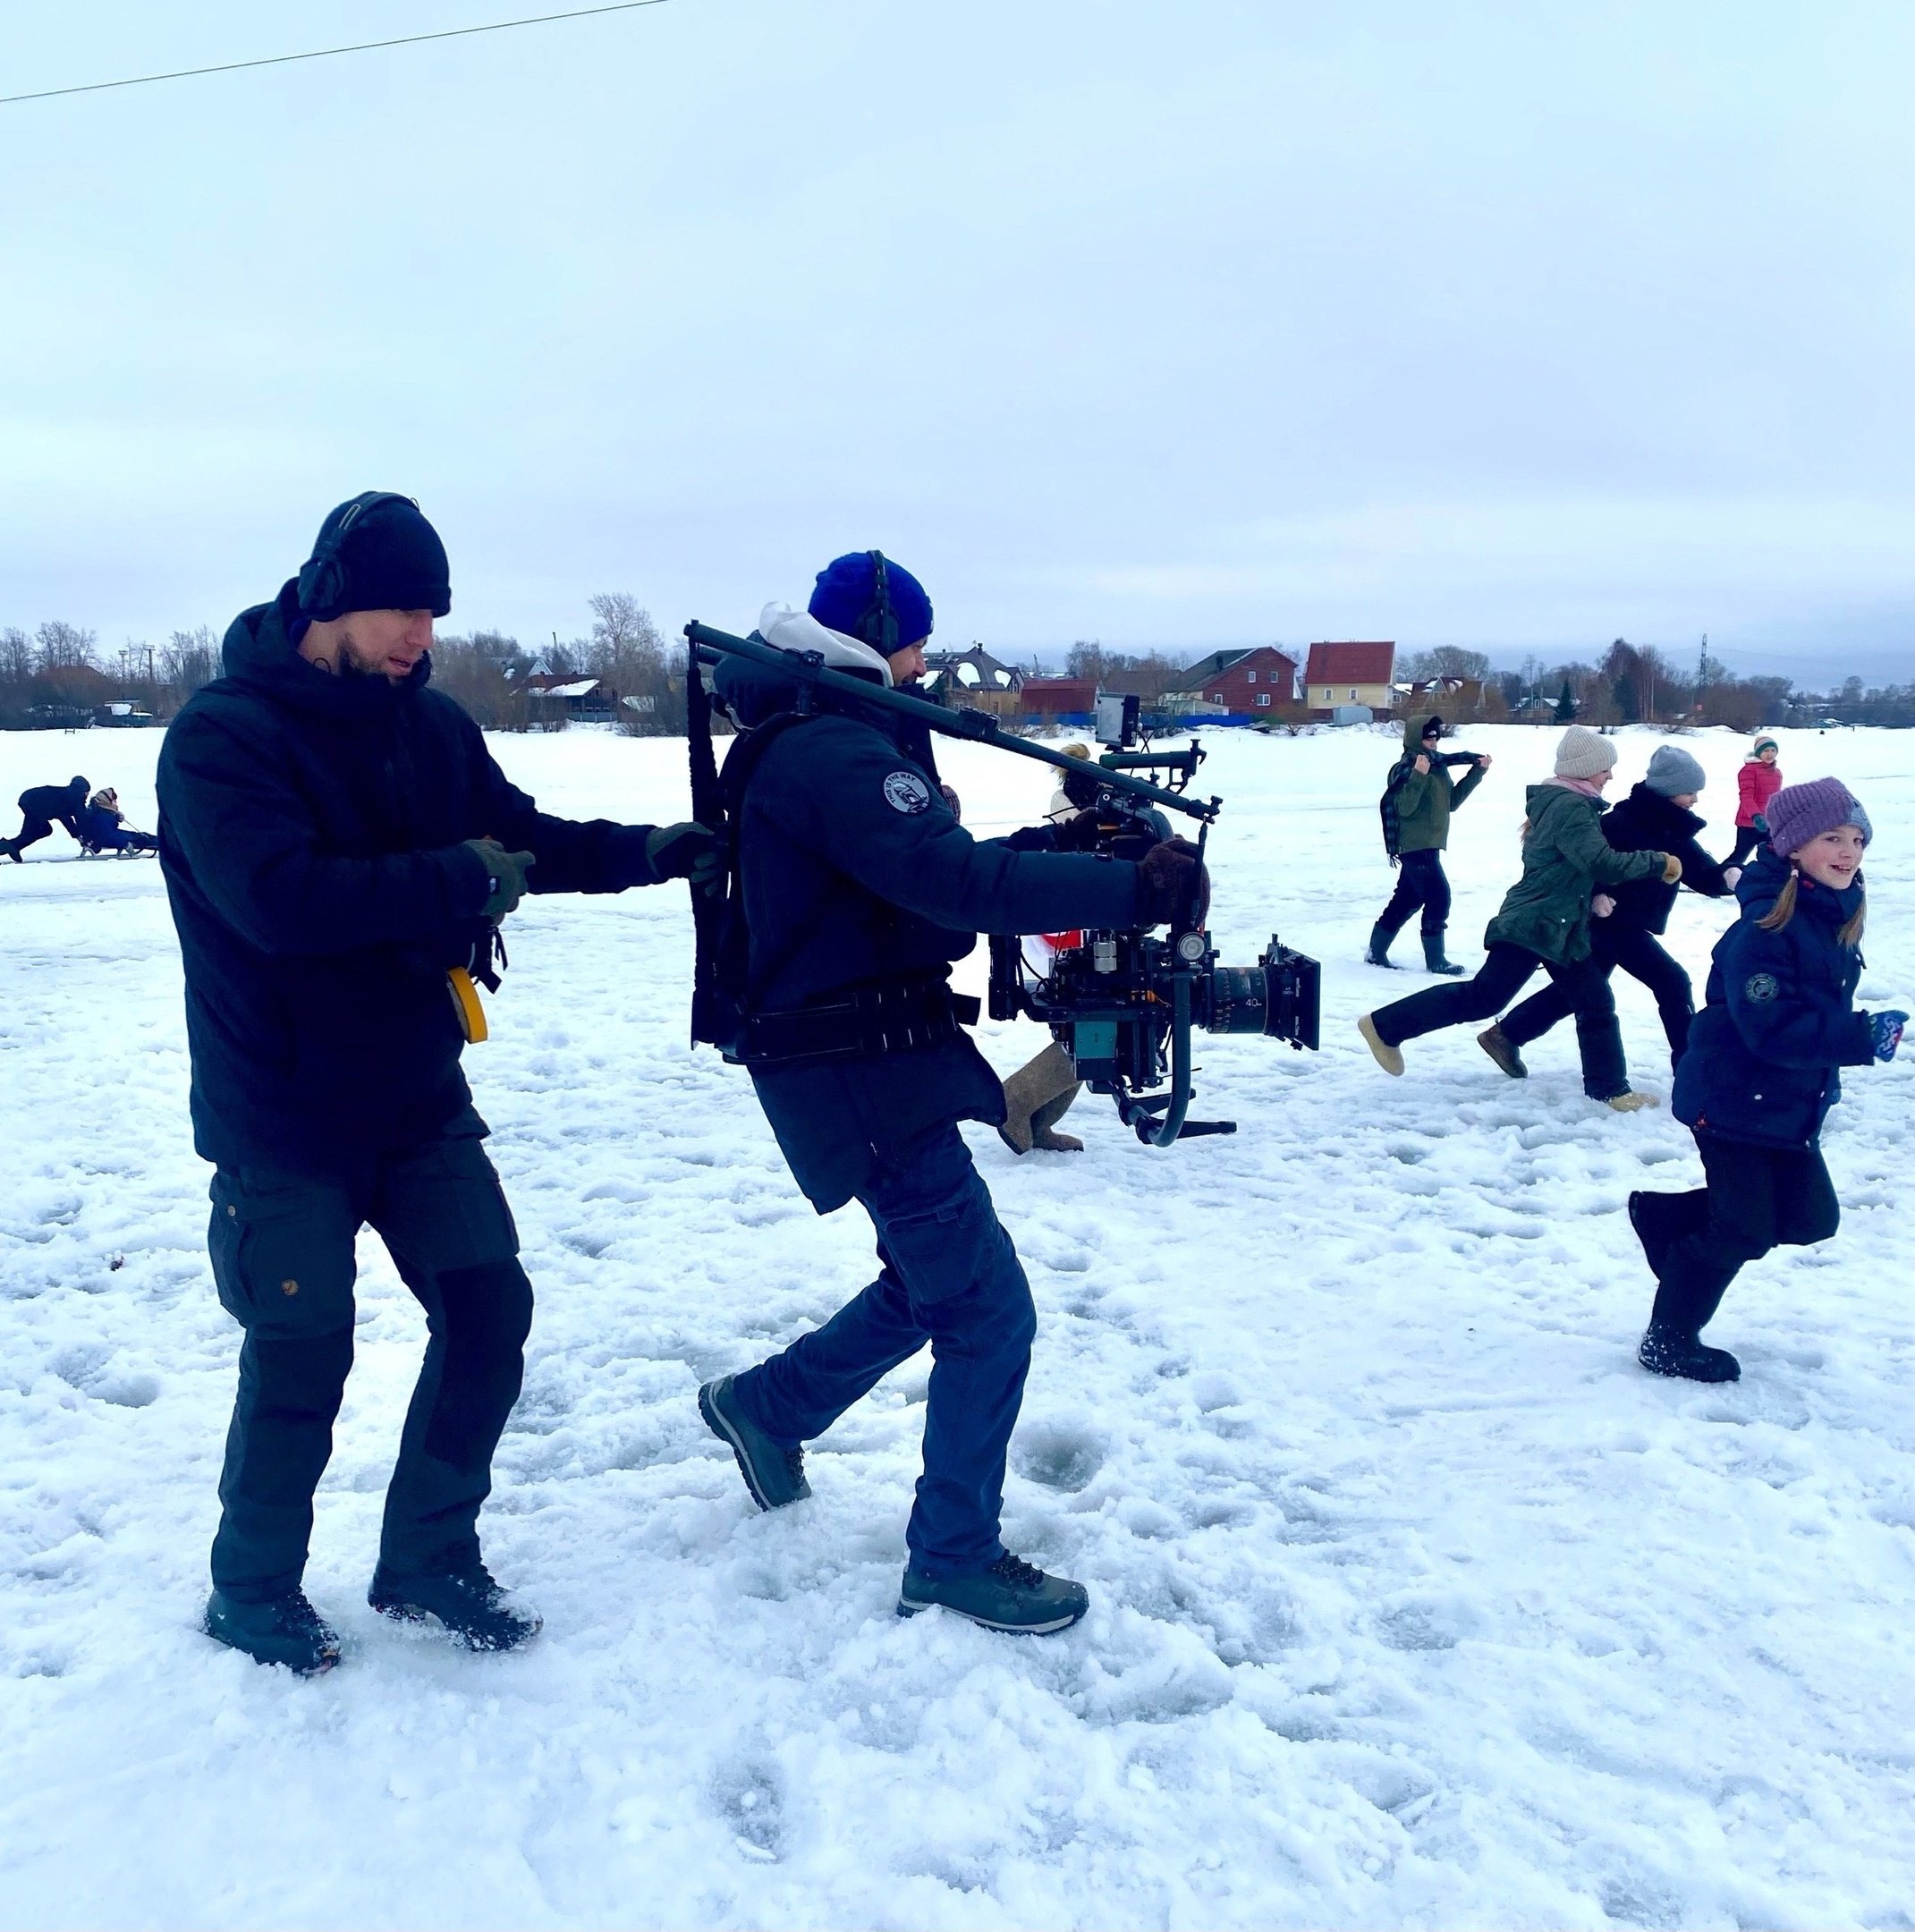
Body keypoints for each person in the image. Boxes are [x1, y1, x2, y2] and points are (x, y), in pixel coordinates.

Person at [157, 490, 717, 1674]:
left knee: (488, 1310)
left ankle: (428, 1556)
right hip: (284, 1111)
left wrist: (644, 853)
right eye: (401, 609)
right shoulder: (223, 736)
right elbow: (278, 901)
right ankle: (251, 1585)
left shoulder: (431, 724)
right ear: (328, 602)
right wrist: (454, 878)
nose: (422, 634)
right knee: (303, 1348)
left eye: (433, 612)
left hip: (415, 1095)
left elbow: (519, 838)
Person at [697, 550, 1206, 1634]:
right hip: (858, 1072)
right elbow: (953, 885)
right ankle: (953, 1554)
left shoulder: (819, 734)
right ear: (882, 640)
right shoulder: (831, 747)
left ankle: (766, 1406)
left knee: (931, 1282)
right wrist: (1130, 884)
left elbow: (923, 872)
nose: (927, 668)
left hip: (867, 1060)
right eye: (918, 645)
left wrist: (1067, 846)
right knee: (986, 1311)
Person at [1628, 780, 1903, 1382]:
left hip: (1785, 1103)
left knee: (1810, 1219)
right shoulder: (1764, 932)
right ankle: (1668, 1339)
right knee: (1741, 1228)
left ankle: (1668, 1224)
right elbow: (1771, 1031)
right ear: (1792, 847)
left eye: (1856, 839)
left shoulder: (1831, 912)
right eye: (1832, 837)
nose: (1848, 851)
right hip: (1730, 1100)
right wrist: (1857, 1038)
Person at [1356, 724, 1674, 1109]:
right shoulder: (1571, 807)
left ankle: (1610, 1091)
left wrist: (1591, 897)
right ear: (1585, 768)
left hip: (1558, 925)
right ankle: (1383, 1027)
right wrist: (1658, 863)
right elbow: (1599, 861)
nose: (1610, 776)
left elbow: (1569, 866)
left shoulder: (1568, 802)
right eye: (1605, 768)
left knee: (1594, 1001)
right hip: (1535, 923)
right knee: (1484, 998)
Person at [1490, 743, 1735, 1076]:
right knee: (1672, 982)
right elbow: (1585, 864)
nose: (1694, 800)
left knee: (1576, 994)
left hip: (1626, 925)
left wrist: (1731, 877)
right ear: (1668, 791)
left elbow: (1702, 873)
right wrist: (1597, 894)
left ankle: (1505, 1035)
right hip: (1607, 924)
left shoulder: (1674, 830)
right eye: (1689, 792)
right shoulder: (1619, 823)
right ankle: (1692, 1067)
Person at [1000, 746, 1171, 1156]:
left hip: (1081, 920)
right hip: (1073, 926)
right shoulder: (1077, 808)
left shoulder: (1082, 803)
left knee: (1093, 1024)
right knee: (1095, 1022)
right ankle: (1016, 1101)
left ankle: (1040, 1120)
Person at [1367, 716, 1491, 975]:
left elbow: (1452, 803)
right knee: (1439, 897)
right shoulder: (1404, 768)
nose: (1433, 742)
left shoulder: (1438, 766)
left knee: (1407, 899)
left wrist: (1476, 772)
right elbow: (1405, 807)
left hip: (1430, 845)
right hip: (1414, 846)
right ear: (1415, 738)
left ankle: (1376, 953)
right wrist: (1418, 776)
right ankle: (1436, 961)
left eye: (1435, 737)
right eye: (1427, 737)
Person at [1, 775, 89, 860]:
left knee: (44, 830)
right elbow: (81, 820)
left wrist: (79, 837)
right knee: (37, 831)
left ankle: (14, 847)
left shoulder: (66, 794)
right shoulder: (77, 799)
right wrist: (86, 839)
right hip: (35, 805)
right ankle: (9, 846)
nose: (87, 795)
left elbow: (66, 819)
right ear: (83, 790)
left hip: (29, 799)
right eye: (87, 792)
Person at [1728, 734, 1783, 869]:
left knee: (1770, 856)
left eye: (1772, 750)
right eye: (1765, 751)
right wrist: (1756, 816)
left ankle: (1766, 884)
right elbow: (1746, 796)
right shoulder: (1748, 771)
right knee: (1740, 855)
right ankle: (1719, 879)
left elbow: (1775, 798)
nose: (1770, 754)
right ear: (1759, 753)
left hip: (1769, 824)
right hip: (1749, 822)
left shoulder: (1777, 773)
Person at [77, 786, 159, 855]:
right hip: (113, 838)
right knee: (141, 837)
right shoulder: (103, 814)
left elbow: (103, 828)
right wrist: (125, 844)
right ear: (107, 800)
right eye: (114, 799)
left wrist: (116, 817)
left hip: (110, 836)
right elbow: (108, 835)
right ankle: (165, 844)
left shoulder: (97, 810)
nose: (115, 802)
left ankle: (163, 842)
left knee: (141, 836)